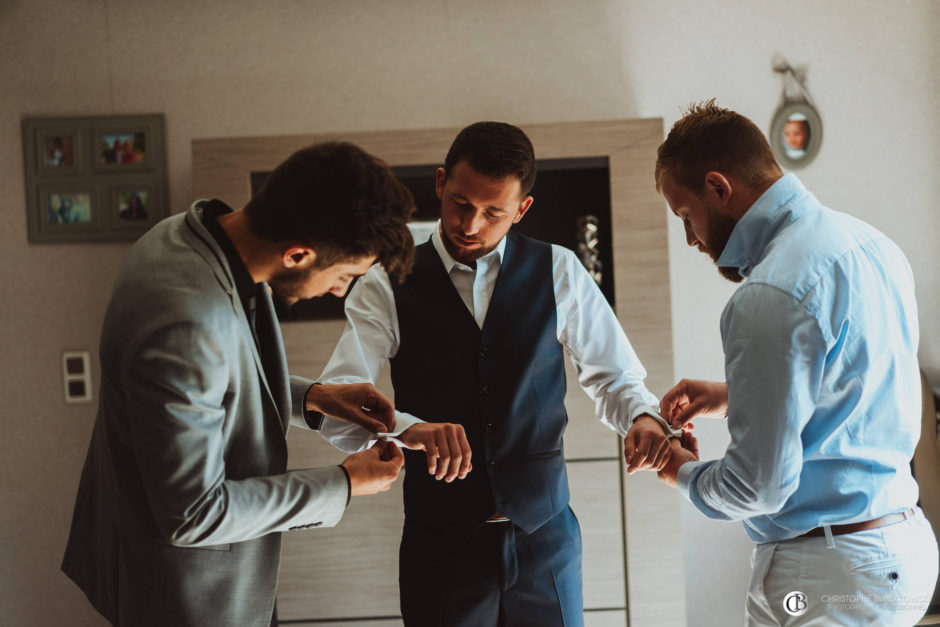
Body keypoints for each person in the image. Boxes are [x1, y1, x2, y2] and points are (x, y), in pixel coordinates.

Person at [316, 121, 677, 626]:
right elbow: (336, 407)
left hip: (547, 541)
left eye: (493, 213)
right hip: (439, 548)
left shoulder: (560, 270)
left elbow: (615, 377)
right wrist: (409, 429)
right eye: (461, 203)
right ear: (441, 183)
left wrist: (641, 417)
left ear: (521, 209)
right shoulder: (384, 284)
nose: (470, 225)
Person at [61, 141, 419, 627]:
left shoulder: (187, 234)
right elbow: (194, 514)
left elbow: (215, 380)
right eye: (346, 274)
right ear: (297, 254)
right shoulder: (186, 322)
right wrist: (344, 483)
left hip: (197, 568)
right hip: (186, 595)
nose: (342, 290)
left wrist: (316, 397)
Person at [653, 100, 939, 625]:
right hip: (899, 547)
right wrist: (732, 395)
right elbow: (855, 387)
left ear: (718, 187)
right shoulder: (871, 245)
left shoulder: (768, 294)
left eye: (685, 216)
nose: (691, 239)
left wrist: (679, 471)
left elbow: (757, 487)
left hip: (831, 574)